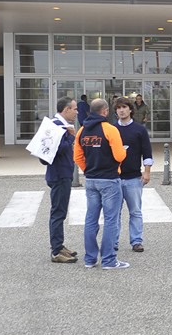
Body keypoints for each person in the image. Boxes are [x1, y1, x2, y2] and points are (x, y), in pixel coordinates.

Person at [73, 98, 130, 270]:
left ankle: (90, 259)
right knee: (111, 220)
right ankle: (109, 259)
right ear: (105, 111)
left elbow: (77, 157)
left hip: (91, 180)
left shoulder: (81, 131)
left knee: (91, 219)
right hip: (109, 179)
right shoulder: (110, 129)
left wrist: (89, 170)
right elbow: (119, 156)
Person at [113, 96, 153, 253]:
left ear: (130, 109)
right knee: (114, 213)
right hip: (114, 178)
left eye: (124, 107)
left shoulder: (140, 130)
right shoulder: (111, 129)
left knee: (135, 211)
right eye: (118, 108)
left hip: (133, 177)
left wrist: (147, 172)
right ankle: (113, 241)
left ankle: (136, 241)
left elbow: (147, 152)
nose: (121, 110)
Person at [43, 97, 79, 263]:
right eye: (74, 109)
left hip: (60, 173)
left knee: (60, 212)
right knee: (58, 212)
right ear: (66, 109)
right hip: (59, 174)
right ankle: (56, 251)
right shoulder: (58, 126)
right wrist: (71, 137)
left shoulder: (57, 124)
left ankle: (59, 245)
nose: (76, 112)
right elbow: (57, 149)